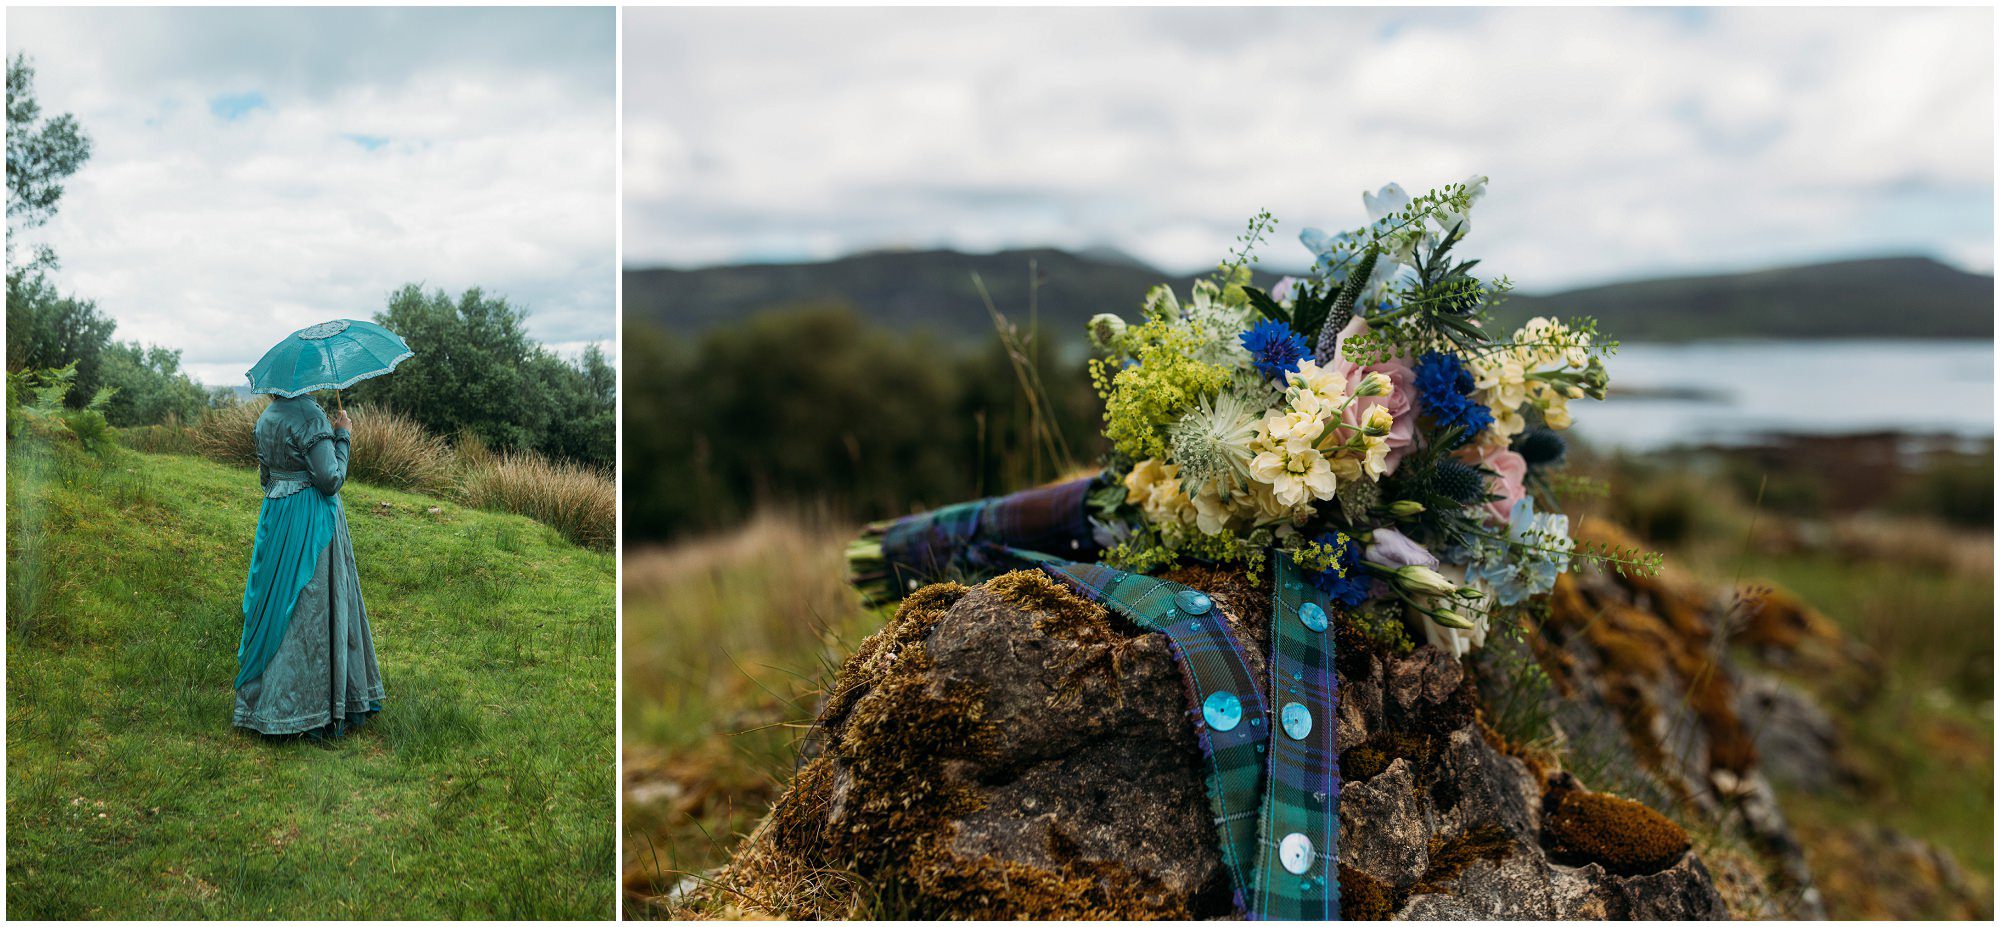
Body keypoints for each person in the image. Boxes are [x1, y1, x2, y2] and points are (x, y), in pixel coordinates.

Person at [234, 395, 384, 736]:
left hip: (275, 517)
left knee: (276, 606)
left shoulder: (266, 417)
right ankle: (308, 709)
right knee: (310, 607)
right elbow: (329, 480)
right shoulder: (311, 416)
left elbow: (266, 478)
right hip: (311, 519)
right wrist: (342, 435)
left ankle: (264, 702)